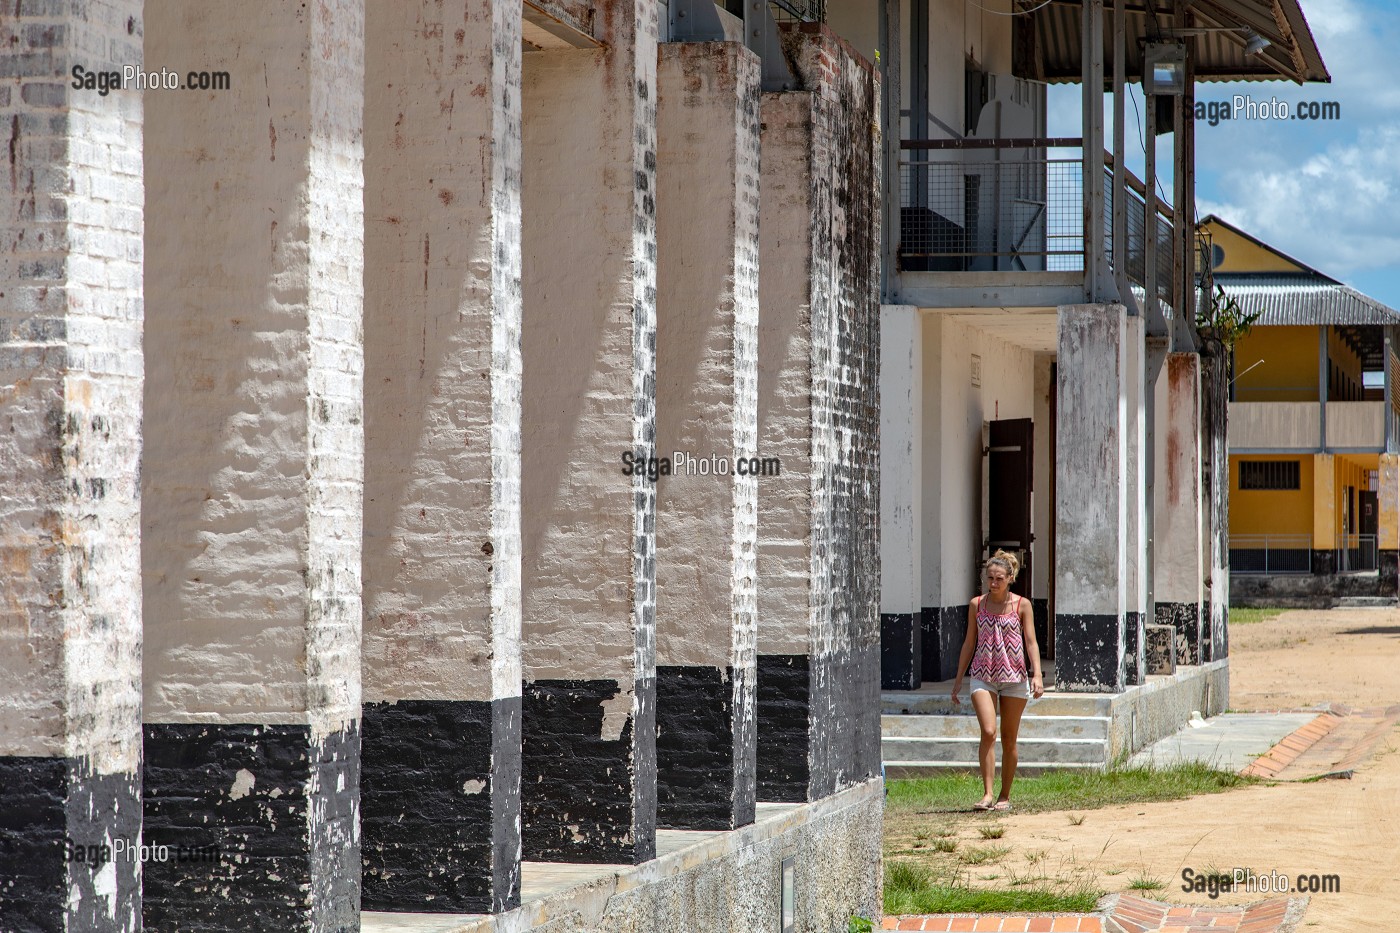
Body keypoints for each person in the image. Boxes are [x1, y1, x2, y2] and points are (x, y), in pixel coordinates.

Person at [949, 549, 1044, 811]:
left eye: (999, 578)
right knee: (988, 732)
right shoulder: (976, 604)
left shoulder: (1021, 605)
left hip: (1014, 677)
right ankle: (987, 793)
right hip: (983, 675)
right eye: (990, 578)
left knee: (1009, 737)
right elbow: (969, 643)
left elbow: (1031, 642)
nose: (993, 583)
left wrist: (1036, 674)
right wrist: (958, 679)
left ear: (1010, 577)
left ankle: (1005, 795)